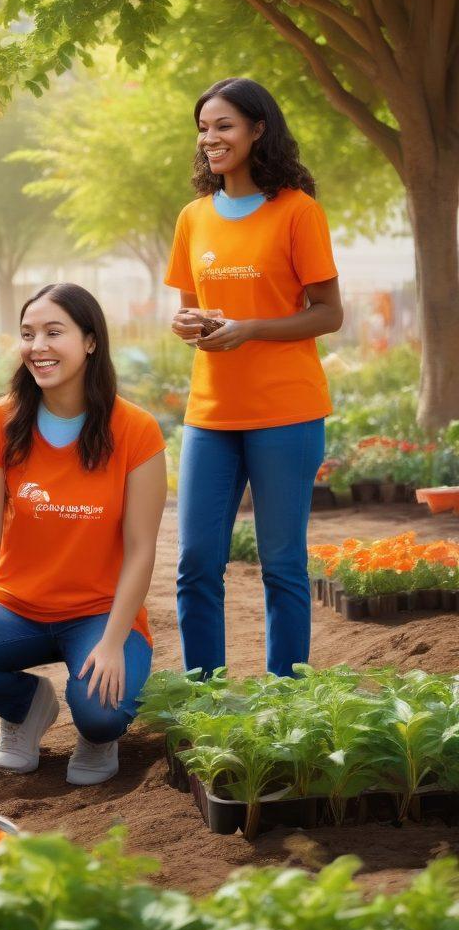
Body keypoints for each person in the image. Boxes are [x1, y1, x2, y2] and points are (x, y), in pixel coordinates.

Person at [0, 283, 166, 785]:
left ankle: (95, 736)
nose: (37, 346)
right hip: (15, 606)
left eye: (53, 332)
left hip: (98, 611)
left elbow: (141, 549)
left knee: (102, 712)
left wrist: (111, 642)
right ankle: (25, 706)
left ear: (90, 341)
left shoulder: (136, 429)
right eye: (28, 334)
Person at [166, 77, 343, 679]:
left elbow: (328, 312)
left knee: (283, 563)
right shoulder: (193, 217)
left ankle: (285, 699)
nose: (210, 138)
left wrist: (251, 329)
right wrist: (189, 324)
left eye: (224, 126)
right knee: (195, 561)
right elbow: (191, 308)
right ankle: (205, 695)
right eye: (204, 128)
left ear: (258, 130)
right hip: (210, 413)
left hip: (286, 412)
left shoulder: (297, 210)